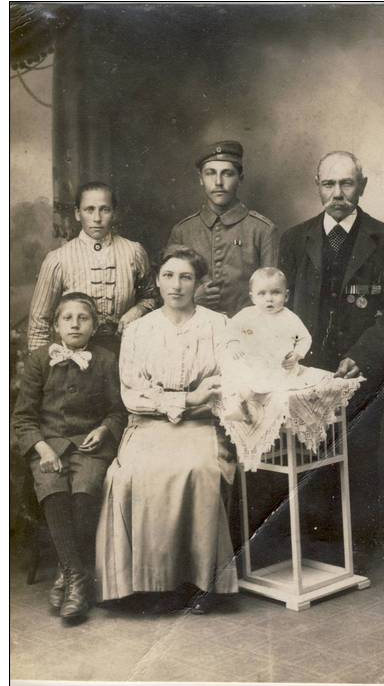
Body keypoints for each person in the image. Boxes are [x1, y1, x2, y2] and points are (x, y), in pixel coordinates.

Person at [279, 151, 384, 559]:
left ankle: (357, 544)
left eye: (347, 184)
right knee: (311, 452)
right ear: (317, 186)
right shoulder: (294, 239)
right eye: (329, 184)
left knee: (360, 452)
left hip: (363, 371)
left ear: (362, 186)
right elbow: (279, 310)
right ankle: (317, 543)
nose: (337, 193)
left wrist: (362, 356)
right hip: (308, 372)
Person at [95, 245, 238, 614]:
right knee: (130, 475)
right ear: (157, 280)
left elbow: (225, 383)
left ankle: (199, 583)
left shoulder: (217, 324)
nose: (176, 285)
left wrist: (199, 402)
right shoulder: (139, 329)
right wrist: (189, 398)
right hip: (149, 425)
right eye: (169, 276)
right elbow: (133, 395)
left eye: (186, 277)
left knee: (199, 470)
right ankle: (143, 585)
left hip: (202, 425)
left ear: (198, 283)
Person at [13, 293, 126, 621]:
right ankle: (78, 576)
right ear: (56, 326)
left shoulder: (105, 360)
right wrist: (42, 447)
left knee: (85, 489)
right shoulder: (39, 360)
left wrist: (105, 429)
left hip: (91, 446)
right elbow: (23, 418)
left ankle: (69, 574)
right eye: (68, 318)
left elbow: (118, 410)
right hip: (49, 446)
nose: (75, 324)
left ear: (93, 326)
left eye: (83, 318)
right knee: (52, 487)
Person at [27, 182, 159, 353]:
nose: (97, 218)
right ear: (77, 213)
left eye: (105, 209)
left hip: (125, 352)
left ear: (114, 213)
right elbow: (39, 321)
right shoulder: (57, 259)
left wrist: (138, 310)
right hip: (74, 358)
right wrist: (42, 370)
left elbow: (152, 298)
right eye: (89, 209)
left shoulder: (134, 252)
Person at [168, 140, 277, 317]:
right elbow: (167, 290)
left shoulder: (263, 230)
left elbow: (274, 293)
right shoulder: (182, 231)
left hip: (246, 333)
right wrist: (191, 298)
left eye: (227, 174)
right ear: (200, 179)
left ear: (240, 178)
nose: (218, 182)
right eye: (210, 173)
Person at [222, 267, 312, 422]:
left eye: (275, 292)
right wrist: (233, 343)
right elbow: (230, 330)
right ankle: (237, 406)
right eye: (262, 293)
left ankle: (266, 412)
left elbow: (305, 338)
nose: (269, 298)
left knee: (274, 389)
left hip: (280, 366)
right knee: (234, 372)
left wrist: (297, 354)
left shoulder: (289, 318)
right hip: (254, 362)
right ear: (252, 297)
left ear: (286, 295)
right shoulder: (247, 314)